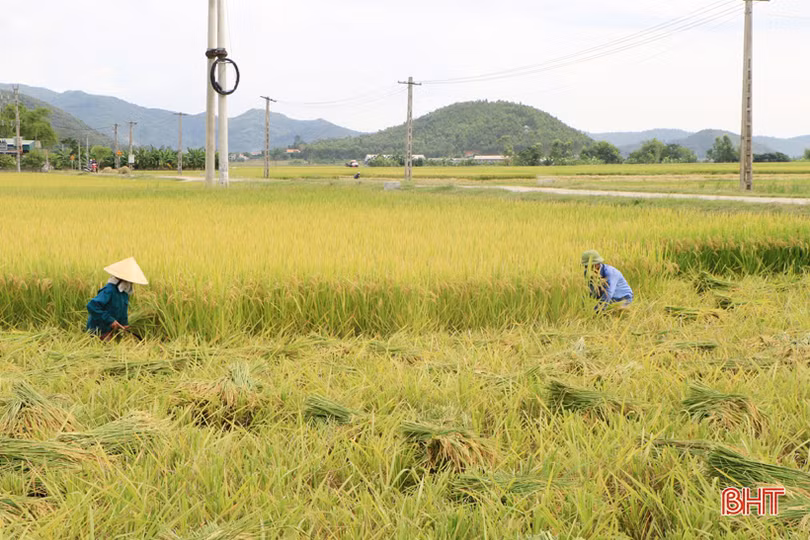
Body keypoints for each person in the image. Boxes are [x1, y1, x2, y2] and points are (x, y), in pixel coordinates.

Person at [86, 257, 148, 340]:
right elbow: (92, 305)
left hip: (112, 330)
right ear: (121, 279)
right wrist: (110, 320)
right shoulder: (109, 290)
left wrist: (124, 324)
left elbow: (122, 311)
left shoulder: (124, 293)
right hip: (99, 329)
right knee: (109, 349)